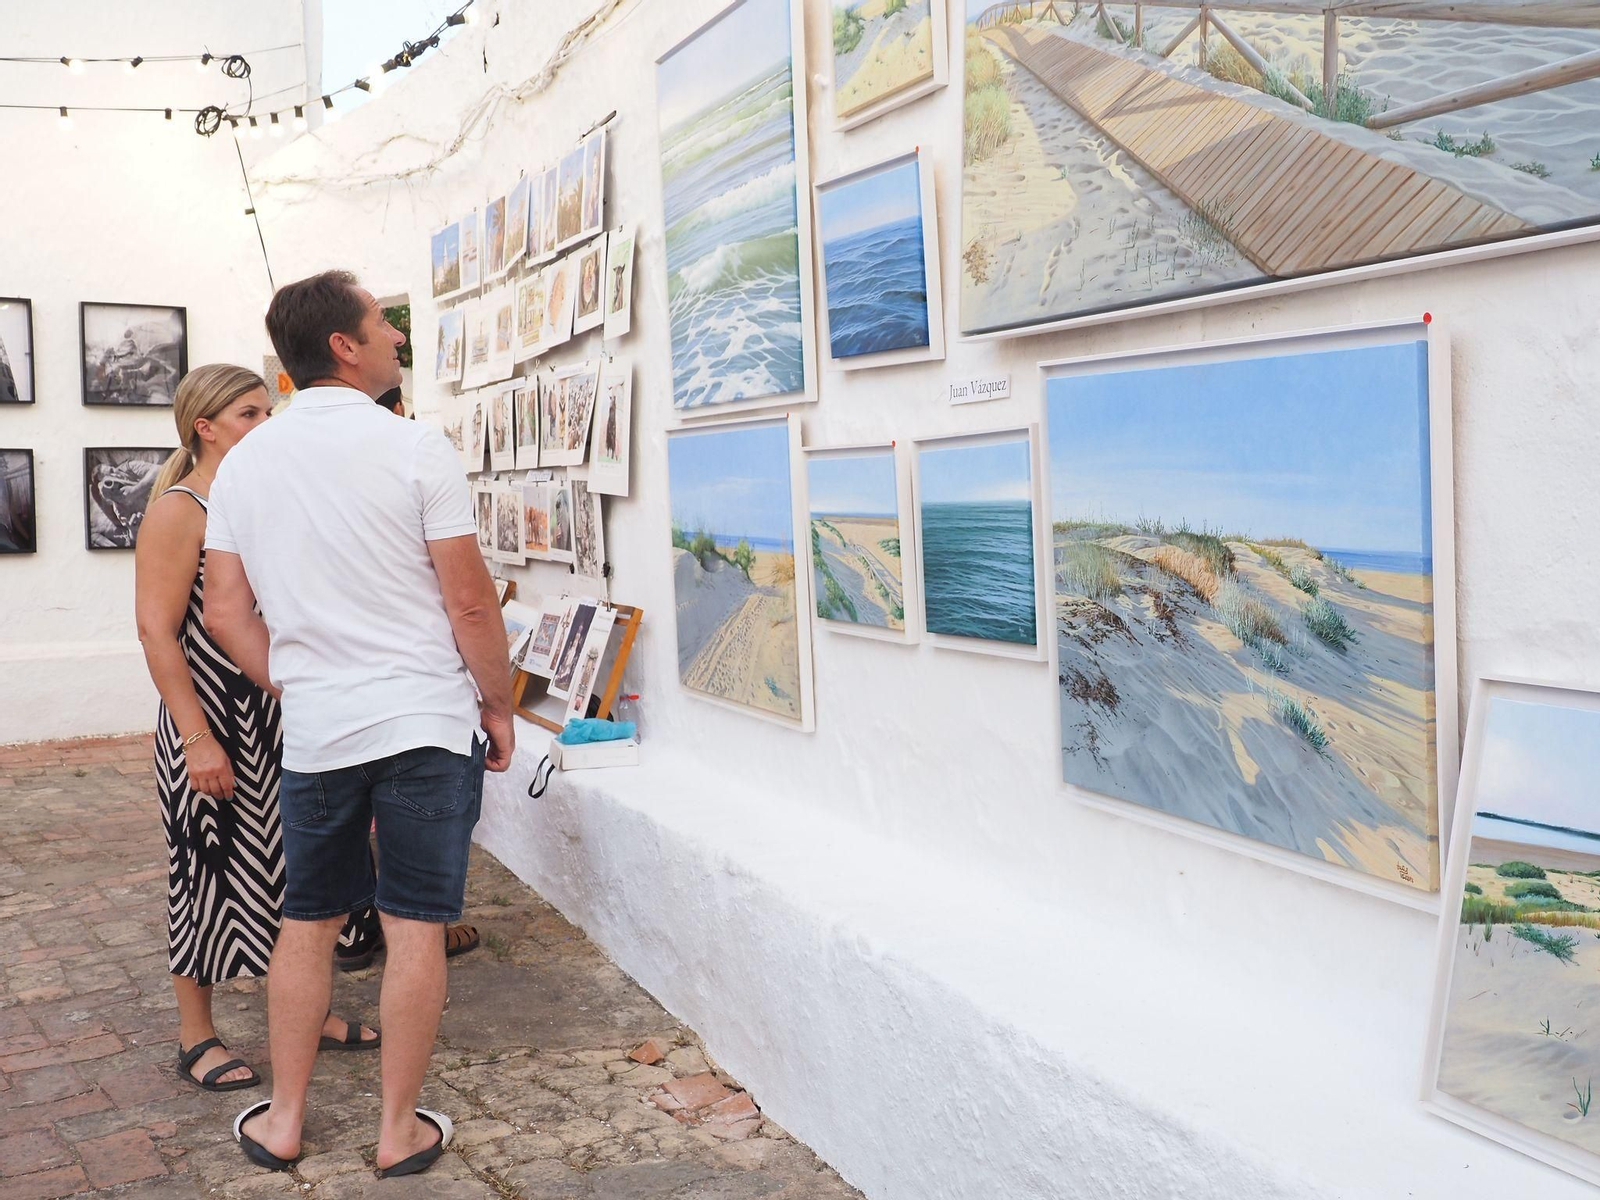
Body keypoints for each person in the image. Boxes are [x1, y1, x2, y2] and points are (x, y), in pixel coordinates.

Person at [203, 270, 513, 1179]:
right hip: (423, 721)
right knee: (416, 925)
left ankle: (285, 1120)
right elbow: (470, 604)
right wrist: (498, 703)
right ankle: (397, 1130)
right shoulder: (415, 446)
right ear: (344, 345)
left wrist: (297, 683)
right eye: (383, 323)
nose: (397, 337)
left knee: (308, 920)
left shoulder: (246, 461)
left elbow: (225, 612)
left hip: (320, 732)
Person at [134, 364, 379, 1095]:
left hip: (281, 713)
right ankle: (196, 1034)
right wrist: (196, 739)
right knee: (203, 869)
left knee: (295, 869)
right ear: (205, 428)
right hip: (212, 716)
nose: (265, 425)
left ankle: (306, 1012)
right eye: (249, 413)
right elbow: (155, 631)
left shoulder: (263, 495)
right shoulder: (180, 509)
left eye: (268, 411)